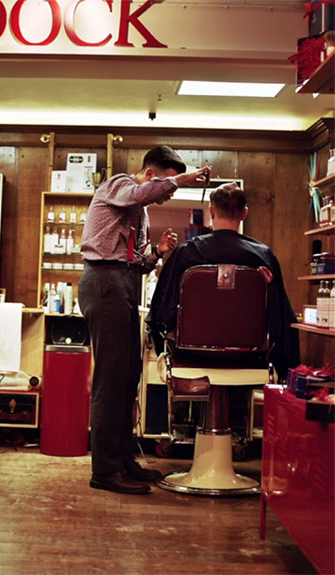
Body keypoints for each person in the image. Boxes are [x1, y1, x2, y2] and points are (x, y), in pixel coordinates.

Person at [78, 145, 211, 495]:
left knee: (126, 378)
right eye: (165, 184)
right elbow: (142, 192)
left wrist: (157, 253)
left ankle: (122, 460)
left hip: (122, 282)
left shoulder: (140, 212)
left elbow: (137, 262)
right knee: (111, 380)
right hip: (104, 282)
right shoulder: (118, 186)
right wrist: (181, 180)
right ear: (152, 175)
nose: (167, 194)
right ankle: (104, 471)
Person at [146, 182, 300, 380]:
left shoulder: (187, 253)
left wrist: (162, 344)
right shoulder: (263, 256)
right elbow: (281, 318)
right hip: (249, 355)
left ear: (211, 211)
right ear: (244, 213)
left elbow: (161, 312)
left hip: (192, 354)